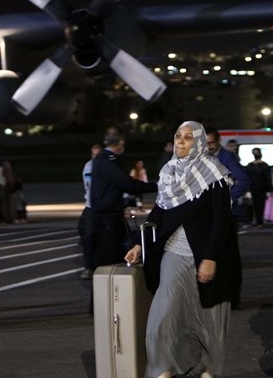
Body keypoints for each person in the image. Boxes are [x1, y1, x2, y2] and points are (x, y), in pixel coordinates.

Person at [124, 121, 241, 378]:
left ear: (198, 142)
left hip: (206, 255)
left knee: (207, 317)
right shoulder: (169, 172)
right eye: (178, 136)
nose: (181, 142)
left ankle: (208, 368)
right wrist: (139, 244)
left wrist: (210, 257)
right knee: (162, 313)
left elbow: (222, 220)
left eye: (188, 138)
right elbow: (158, 211)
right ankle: (161, 368)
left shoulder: (214, 173)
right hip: (173, 252)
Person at [90, 128, 157, 270]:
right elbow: (128, 184)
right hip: (107, 218)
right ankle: (104, 291)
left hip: (106, 216)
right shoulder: (108, 161)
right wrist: (156, 186)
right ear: (120, 143)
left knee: (110, 258)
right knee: (109, 260)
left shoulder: (102, 160)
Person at [205, 126, 248, 309]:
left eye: (211, 143)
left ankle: (233, 298)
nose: (209, 146)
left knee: (230, 257)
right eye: (205, 143)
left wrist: (226, 198)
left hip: (228, 215)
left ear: (219, 140)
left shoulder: (226, 157)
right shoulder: (204, 158)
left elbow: (244, 180)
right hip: (211, 215)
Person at [78, 143, 103, 280]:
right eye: (93, 154)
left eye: (97, 154)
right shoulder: (90, 166)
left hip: (99, 206)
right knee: (87, 235)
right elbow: (90, 187)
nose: (95, 157)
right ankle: (89, 266)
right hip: (92, 205)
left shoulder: (104, 165)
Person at [246, 147, 273, 227]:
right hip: (258, 188)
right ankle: (259, 221)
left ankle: (259, 221)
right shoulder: (263, 165)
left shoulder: (251, 165)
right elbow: (268, 178)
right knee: (258, 205)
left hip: (258, 188)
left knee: (258, 205)